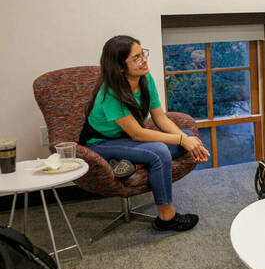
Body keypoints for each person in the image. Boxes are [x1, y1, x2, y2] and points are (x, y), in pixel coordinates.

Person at [81, 35, 210, 232]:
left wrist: (186, 139)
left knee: (184, 132)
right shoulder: (110, 93)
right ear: (120, 67)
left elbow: (160, 118)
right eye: (136, 58)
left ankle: (133, 163)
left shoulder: (145, 78)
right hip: (99, 143)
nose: (144, 60)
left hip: (126, 139)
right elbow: (138, 135)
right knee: (159, 151)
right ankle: (167, 218)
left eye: (143, 54)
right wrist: (182, 140)